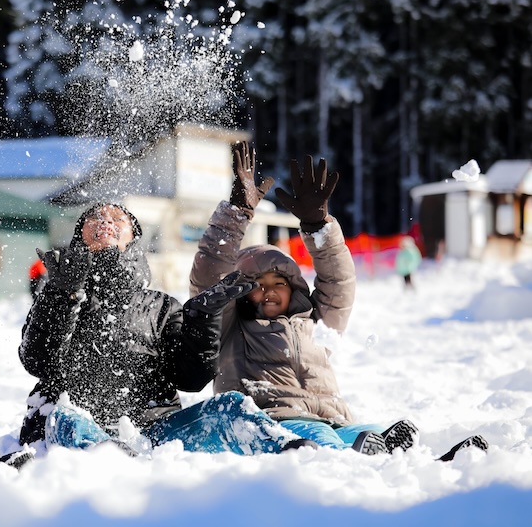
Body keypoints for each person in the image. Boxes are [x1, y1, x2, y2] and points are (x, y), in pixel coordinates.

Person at [190, 142, 488, 460]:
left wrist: (318, 226)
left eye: (279, 283)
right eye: (258, 285)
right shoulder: (232, 327)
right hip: (276, 423)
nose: (270, 291)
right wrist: (237, 212)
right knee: (328, 441)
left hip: (334, 419)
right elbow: (209, 277)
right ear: (241, 291)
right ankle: (365, 459)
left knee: (371, 433)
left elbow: (339, 283)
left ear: (294, 288)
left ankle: (426, 462)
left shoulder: (315, 322)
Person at [3, 203, 303, 467]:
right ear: (80, 236)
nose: (105, 221)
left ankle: (295, 453)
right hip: (74, 428)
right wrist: (62, 294)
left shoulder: (161, 307)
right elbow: (38, 361)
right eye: (94, 217)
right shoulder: (61, 294)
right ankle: (116, 462)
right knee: (65, 417)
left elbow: (191, 380)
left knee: (230, 406)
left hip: (155, 433)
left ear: (133, 239)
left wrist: (204, 320)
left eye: (117, 219)